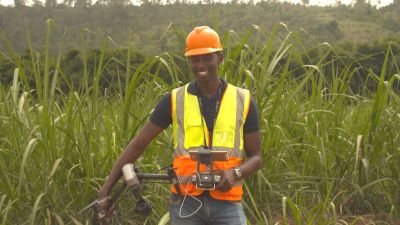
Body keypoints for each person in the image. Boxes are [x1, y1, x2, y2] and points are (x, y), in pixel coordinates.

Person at [97, 26, 262, 225]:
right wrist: (105, 191)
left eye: (206, 57)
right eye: (195, 59)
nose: (200, 64)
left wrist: (235, 173)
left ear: (220, 57)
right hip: (185, 203)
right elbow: (138, 144)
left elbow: (257, 157)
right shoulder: (174, 100)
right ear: (189, 61)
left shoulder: (243, 100)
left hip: (227, 203)